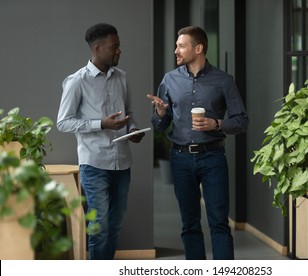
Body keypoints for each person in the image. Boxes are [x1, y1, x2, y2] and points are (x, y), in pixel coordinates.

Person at [147, 26, 248, 260]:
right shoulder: (169, 80)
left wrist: (216, 125)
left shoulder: (223, 80)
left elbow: (242, 121)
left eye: (181, 45)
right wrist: (161, 113)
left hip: (213, 157)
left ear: (198, 48)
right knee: (189, 224)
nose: (176, 50)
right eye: (176, 45)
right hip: (180, 158)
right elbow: (160, 125)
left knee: (219, 223)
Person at [57, 23, 145, 260]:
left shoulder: (122, 77)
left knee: (115, 226)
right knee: (100, 227)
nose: (119, 51)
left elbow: (130, 113)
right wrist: (101, 124)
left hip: (123, 164)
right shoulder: (77, 81)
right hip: (94, 164)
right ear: (97, 48)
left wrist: (134, 129)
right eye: (114, 46)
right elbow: (63, 122)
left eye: (119, 46)